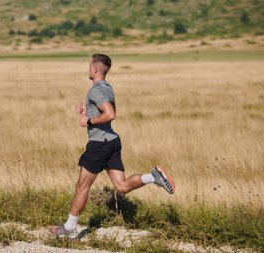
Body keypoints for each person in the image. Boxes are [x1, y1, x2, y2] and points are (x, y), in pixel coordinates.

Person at [50, 54, 175, 238]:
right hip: (112, 142)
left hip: (99, 145)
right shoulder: (107, 88)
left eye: (89, 66)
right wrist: (88, 110)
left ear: (95, 69)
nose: (87, 69)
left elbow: (110, 114)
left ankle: (69, 229)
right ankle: (153, 177)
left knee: (82, 186)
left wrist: (89, 120)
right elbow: (104, 110)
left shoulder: (95, 91)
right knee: (122, 187)